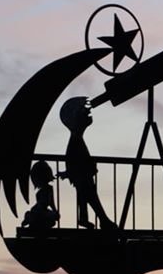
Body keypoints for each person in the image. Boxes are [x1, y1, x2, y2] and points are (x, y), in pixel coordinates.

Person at [58, 97, 116, 230]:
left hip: (82, 175)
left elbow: (74, 160)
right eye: (81, 113)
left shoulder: (76, 140)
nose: (87, 115)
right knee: (91, 197)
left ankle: (86, 219)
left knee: (85, 197)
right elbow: (74, 160)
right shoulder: (76, 141)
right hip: (82, 175)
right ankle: (103, 221)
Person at [21, 160, 60, 231]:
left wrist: (55, 211)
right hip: (39, 211)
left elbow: (50, 203)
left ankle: (35, 223)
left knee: (38, 216)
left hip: (41, 211)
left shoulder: (48, 189)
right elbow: (50, 203)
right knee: (33, 215)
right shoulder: (47, 189)